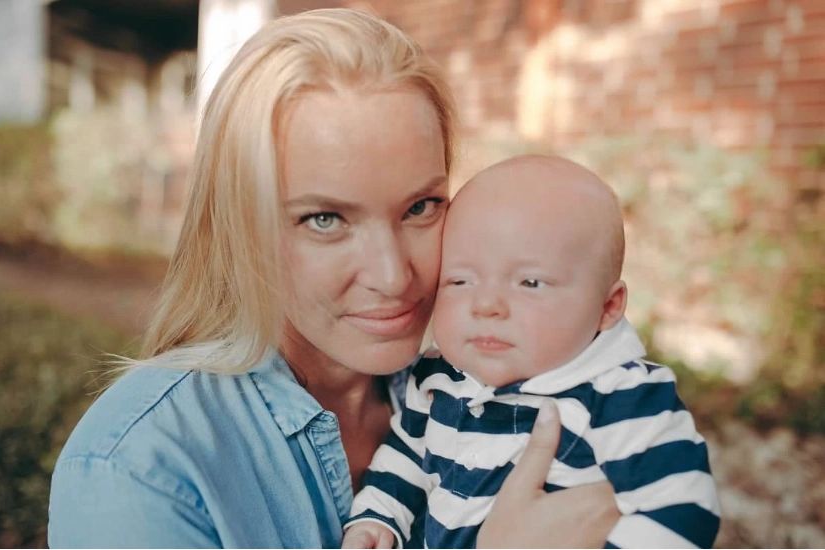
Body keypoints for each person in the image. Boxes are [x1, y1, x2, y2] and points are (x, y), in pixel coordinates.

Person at [47, 9, 619, 549]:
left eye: (421, 207)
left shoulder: (486, 387)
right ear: (239, 225)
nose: (394, 277)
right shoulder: (136, 468)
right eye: (325, 219)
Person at [342, 155, 721, 549]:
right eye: (459, 280)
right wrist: (378, 516)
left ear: (607, 307)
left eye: (530, 282)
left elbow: (683, 508)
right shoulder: (439, 377)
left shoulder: (622, 397)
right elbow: (405, 458)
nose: (486, 304)